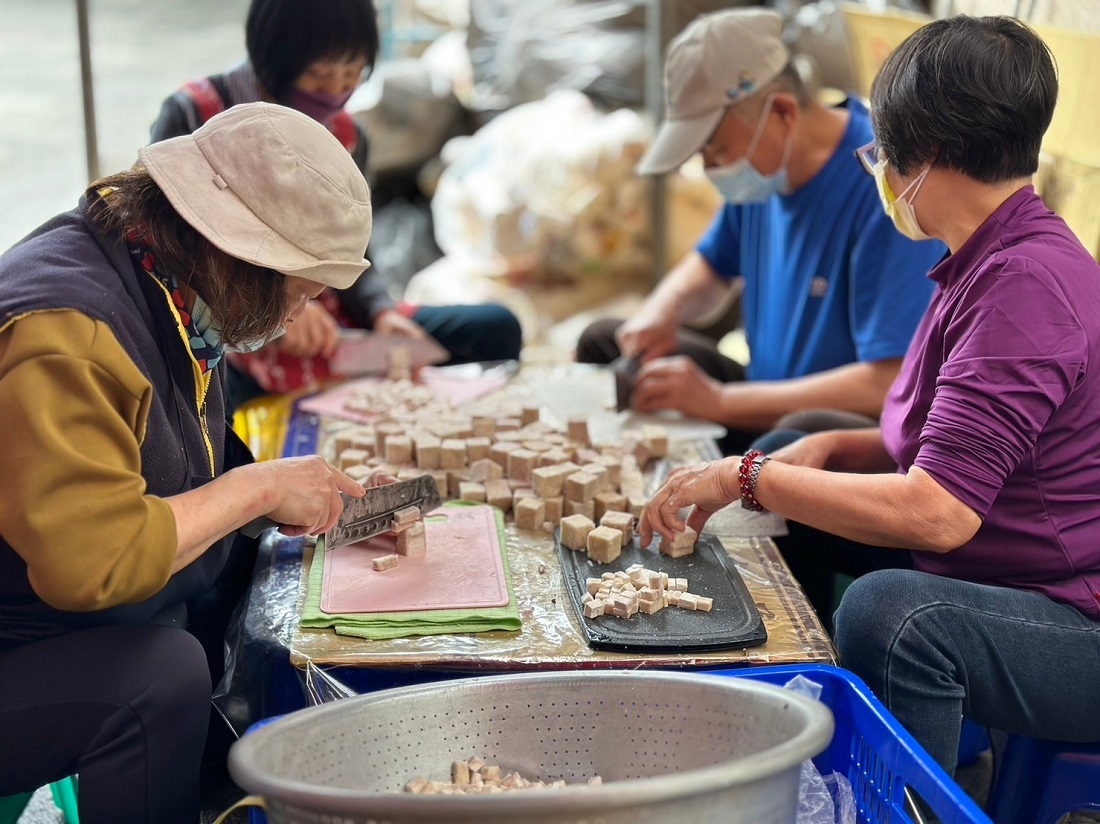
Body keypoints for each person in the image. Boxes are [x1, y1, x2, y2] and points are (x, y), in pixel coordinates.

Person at [640, 15, 1100, 779]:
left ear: (934, 153)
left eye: (884, 151)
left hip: (1073, 618)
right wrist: (824, 449)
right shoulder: (982, 259)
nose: (880, 169)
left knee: (892, 615)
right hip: (1005, 556)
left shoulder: (1025, 287)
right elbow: (943, 444)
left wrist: (743, 475)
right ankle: (779, 707)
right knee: (801, 448)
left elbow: (939, 513)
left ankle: (892, 800)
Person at [0, 103, 395, 823]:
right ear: (239, 256)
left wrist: (311, 501)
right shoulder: (68, 333)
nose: (302, 312)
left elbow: (182, 472)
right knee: (160, 677)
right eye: (300, 290)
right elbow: (92, 564)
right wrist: (258, 487)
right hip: (19, 631)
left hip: (43, 610)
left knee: (244, 573)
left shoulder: (161, 282)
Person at [575, 8, 945, 454]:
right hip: (763, 397)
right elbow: (711, 268)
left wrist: (718, 401)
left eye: (716, 150)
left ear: (783, 111)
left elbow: (887, 381)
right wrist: (663, 309)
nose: (711, 168)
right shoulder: (762, 172)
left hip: (839, 429)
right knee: (605, 340)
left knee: (792, 435)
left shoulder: (884, 183)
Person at [151, 0, 522, 413]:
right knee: (198, 402)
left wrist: (381, 312)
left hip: (333, 325)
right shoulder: (196, 115)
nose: (334, 93)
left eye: (351, 75)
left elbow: (354, 256)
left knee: (497, 328)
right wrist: (273, 304)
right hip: (231, 323)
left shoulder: (348, 135)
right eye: (319, 76)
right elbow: (169, 246)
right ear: (274, 58)